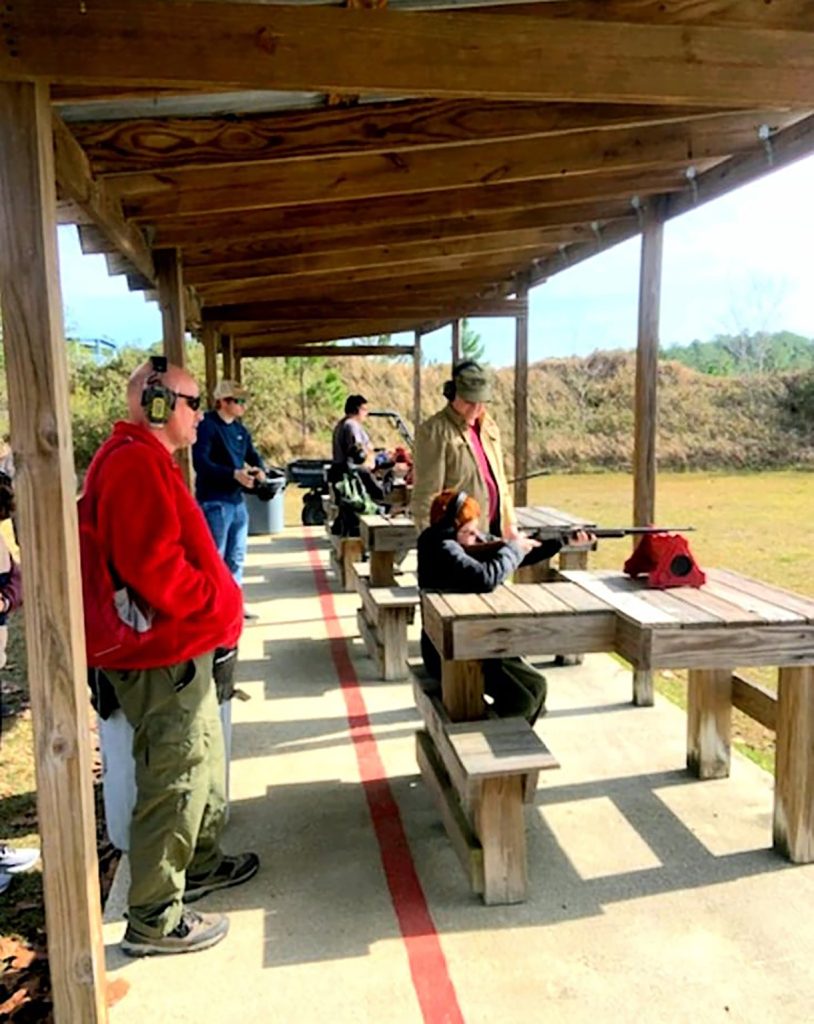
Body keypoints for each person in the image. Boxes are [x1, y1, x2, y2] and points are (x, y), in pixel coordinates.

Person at [80, 357, 257, 957]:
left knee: (198, 757)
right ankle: (155, 917)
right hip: (163, 654)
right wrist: (215, 605)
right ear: (158, 405)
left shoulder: (144, 459)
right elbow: (155, 570)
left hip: (179, 650)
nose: (199, 412)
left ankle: (198, 864)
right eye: (189, 400)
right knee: (175, 776)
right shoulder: (133, 464)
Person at [417, 489, 591, 724]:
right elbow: (485, 577)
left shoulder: (452, 543)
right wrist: (514, 549)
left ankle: (509, 741)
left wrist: (561, 541)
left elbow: (510, 556)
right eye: (467, 531)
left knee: (536, 686)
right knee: (523, 701)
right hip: (453, 650)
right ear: (448, 528)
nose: (475, 537)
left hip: (478, 641)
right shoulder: (440, 547)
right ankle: (487, 745)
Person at [411, 360, 518, 538]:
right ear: (451, 394)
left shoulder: (489, 426)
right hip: (458, 540)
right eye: (469, 401)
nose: (476, 408)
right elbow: (427, 497)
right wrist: (434, 545)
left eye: (481, 401)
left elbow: (501, 482)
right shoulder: (434, 432)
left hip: (491, 533)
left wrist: (510, 525)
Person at [192, 379, 267, 618]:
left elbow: (252, 455)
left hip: (236, 501)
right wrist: (233, 474)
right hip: (214, 501)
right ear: (223, 402)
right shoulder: (207, 427)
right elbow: (201, 463)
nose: (243, 405)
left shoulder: (240, 430)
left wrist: (260, 469)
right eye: (238, 401)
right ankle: (212, 607)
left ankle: (233, 604)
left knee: (236, 557)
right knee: (215, 557)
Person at [331, 394, 384, 504]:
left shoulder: (343, 424)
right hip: (352, 471)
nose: (366, 413)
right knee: (384, 490)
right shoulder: (351, 425)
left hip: (345, 469)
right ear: (358, 409)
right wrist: (371, 459)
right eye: (365, 410)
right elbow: (357, 453)